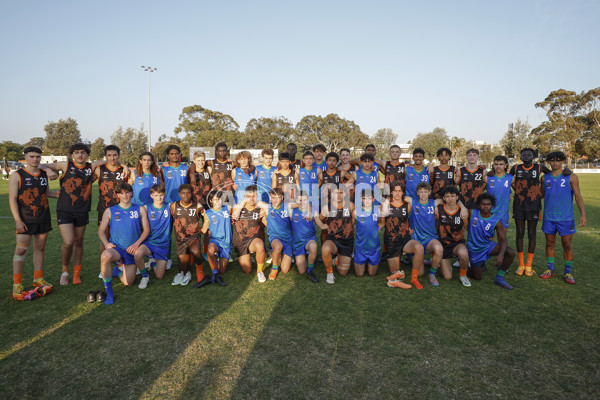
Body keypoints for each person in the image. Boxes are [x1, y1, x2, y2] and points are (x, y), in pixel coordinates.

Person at [40, 143, 115, 285]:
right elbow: (41, 165)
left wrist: (123, 166)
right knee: (68, 242)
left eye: (82, 152)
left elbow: (111, 160)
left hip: (82, 210)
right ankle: (65, 271)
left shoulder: (91, 166)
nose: (79, 155)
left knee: (79, 242)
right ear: (72, 155)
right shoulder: (65, 165)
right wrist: (48, 171)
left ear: (87, 155)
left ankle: (76, 273)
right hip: (65, 209)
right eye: (76, 152)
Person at [510, 148, 567, 276]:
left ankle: (528, 265)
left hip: (534, 206)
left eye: (529, 154)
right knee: (519, 233)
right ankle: (521, 265)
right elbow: (509, 181)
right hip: (519, 205)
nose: (526, 156)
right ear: (520, 156)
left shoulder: (540, 168)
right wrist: (517, 191)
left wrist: (566, 171)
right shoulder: (515, 168)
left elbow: (553, 174)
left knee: (531, 234)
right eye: (523, 154)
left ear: (533, 156)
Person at [9, 147, 57, 299]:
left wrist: (58, 195)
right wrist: (17, 220)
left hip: (43, 217)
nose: (35, 159)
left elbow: (46, 192)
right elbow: (12, 199)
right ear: (26, 157)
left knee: (40, 248)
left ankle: (37, 278)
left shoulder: (43, 174)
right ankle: (17, 284)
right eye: (32, 156)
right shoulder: (17, 175)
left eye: (38, 157)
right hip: (25, 219)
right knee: (21, 251)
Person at [98, 183, 150, 305]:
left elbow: (146, 230)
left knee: (128, 282)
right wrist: (106, 244)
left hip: (132, 250)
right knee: (105, 256)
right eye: (121, 193)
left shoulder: (139, 209)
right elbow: (101, 231)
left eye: (127, 192)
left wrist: (137, 244)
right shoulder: (110, 211)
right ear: (117, 195)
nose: (125, 195)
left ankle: (117, 271)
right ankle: (109, 292)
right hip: (116, 248)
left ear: (132, 193)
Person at [539, 151, 586, 284]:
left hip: (566, 218)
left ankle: (568, 272)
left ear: (563, 161)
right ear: (548, 162)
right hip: (549, 217)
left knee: (567, 244)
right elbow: (540, 195)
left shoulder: (571, 177)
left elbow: (578, 197)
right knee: (549, 243)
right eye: (552, 160)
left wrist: (583, 214)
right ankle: (550, 269)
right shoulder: (544, 178)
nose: (555, 163)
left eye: (558, 160)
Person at [466, 193, 516, 289]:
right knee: (478, 277)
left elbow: (503, 240)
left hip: (488, 247)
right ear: (479, 205)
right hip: (474, 250)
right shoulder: (472, 213)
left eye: (488, 204)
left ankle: (499, 277)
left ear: (491, 205)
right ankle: (466, 264)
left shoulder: (496, 221)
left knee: (510, 252)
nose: (485, 206)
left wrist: (501, 255)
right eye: (483, 204)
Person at [381, 182, 424, 289]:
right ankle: (395, 277)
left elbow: (408, 219)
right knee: (395, 273)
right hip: (391, 241)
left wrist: (409, 229)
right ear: (391, 192)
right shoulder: (386, 204)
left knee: (419, 247)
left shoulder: (407, 205)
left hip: (405, 239)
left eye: (399, 191)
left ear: (403, 192)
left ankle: (414, 279)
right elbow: (381, 221)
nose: (397, 193)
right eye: (395, 191)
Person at [170, 184, 212, 286]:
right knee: (183, 268)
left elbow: (206, 219)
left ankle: (199, 270)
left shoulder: (197, 206)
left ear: (191, 194)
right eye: (183, 193)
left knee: (195, 251)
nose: (185, 195)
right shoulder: (173, 206)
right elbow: (172, 219)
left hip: (193, 237)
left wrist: (203, 230)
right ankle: (186, 271)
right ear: (179, 194)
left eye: (188, 193)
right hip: (181, 240)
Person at [134, 184, 172, 286]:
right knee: (137, 254)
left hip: (163, 246)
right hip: (149, 243)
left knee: (159, 276)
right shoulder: (146, 208)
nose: (159, 198)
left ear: (164, 194)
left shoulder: (170, 206)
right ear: (151, 196)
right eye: (156, 195)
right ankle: (144, 276)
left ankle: (152, 263)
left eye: (161, 195)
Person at [316, 187, 355, 284]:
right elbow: (317, 218)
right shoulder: (327, 207)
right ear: (332, 195)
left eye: (341, 193)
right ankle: (330, 274)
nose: (338, 195)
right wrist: (322, 226)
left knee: (342, 273)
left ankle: (336, 259)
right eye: (336, 193)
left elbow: (354, 220)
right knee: (325, 248)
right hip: (333, 240)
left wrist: (348, 227)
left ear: (344, 194)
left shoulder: (350, 205)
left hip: (347, 241)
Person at [410, 183, 445, 287]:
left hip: (429, 238)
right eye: (421, 192)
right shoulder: (413, 202)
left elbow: (449, 199)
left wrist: (462, 206)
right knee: (420, 273)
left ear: (429, 192)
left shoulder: (433, 203)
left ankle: (432, 274)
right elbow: (399, 197)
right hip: (416, 238)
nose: (423, 194)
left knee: (439, 249)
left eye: (425, 192)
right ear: (417, 193)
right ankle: (422, 259)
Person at [435, 186, 470, 287]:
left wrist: (464, 208)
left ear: (457, 197)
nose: (450, 199)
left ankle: (463, 275)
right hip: (443, 245)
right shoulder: (438, 210)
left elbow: (466, 227)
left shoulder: (462, 212)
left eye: (452, 196)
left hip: (456, 243)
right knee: (447, 277)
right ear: (444, 198)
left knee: (463, 253)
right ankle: (437, 259)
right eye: (447, 197)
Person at [257, 188, 294, 281]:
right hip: (275, 237)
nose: (275, 200)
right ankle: (274, 269)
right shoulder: (267, 207)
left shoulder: (288, 207)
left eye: (278, 197)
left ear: (282, 197)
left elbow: (301, 204)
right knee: (278, 246)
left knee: (285, 270)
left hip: (288, 239)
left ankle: (279, 255)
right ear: (270, 198)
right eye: (273, 197)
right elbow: (255, 201)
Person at [95, 145, 126, 253]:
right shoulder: (99, 169)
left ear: (118, 156)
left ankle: (122, 264)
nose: (112, 158)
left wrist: (124, 165)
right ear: (105, 156)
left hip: (122, 209)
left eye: (114, 155)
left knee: (123, 237)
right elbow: (87, 183)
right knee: (105, 238)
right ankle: (104, 267)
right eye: (109, 155)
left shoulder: (124, 170)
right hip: (104, 208)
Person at [231, 185, 267, 276]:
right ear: (244, 197)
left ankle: (260, 272)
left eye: (253, 196)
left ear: (257, 196)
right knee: (247, 270)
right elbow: (234, 216)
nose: (251, 199)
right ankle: (247, 255)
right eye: (248, 197)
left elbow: (268, 224)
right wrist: (241, 204)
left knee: (260, 245)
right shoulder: (237, 207)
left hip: (253, 239)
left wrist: (265, 210)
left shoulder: (260, 209)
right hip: (240, 241)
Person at [200, 191, 233, 280]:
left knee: (222, 270)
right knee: (210, 250)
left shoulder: (228, 208)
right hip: (215, 241)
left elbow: (234, 218)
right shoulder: (208, 213)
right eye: (216, 199)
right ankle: (215, 273)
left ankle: (217, 261)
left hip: (226, 242)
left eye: (220, 199)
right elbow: (204, 229)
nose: (218, 202)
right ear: (211, 201)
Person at [353, 191, 384, 277]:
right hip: (360, 248)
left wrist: (378, 228)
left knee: (372, 274)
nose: (367, 201)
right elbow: (351, 224)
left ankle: (370, 261)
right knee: (359, 274)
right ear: (361, 200)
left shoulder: (377, 211)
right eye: (364, 198)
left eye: (369, 198)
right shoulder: (356, 212)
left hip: (374, 248)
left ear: (373, 199)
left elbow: (382, 222)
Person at [291, 191, 319, 283]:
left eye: (305, 200)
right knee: (301, 271)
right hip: (298, 243)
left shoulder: (312, 210)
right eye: (300, 200)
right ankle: (304, 256)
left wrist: (310, 211)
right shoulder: (292, 211)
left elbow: (321, 224)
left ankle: (310, 271)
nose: (302, 202)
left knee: (313, 246)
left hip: (309, 240)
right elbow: (285, 205)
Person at [485, 156, 513, 229]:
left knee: (502, 238)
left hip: (503, 214)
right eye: (496, 164)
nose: (498, 166)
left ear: (505, 165)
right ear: (493, 165)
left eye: (501, 164)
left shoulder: (511, 178)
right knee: (488, 238)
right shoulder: (487, 178)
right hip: (489, 213)